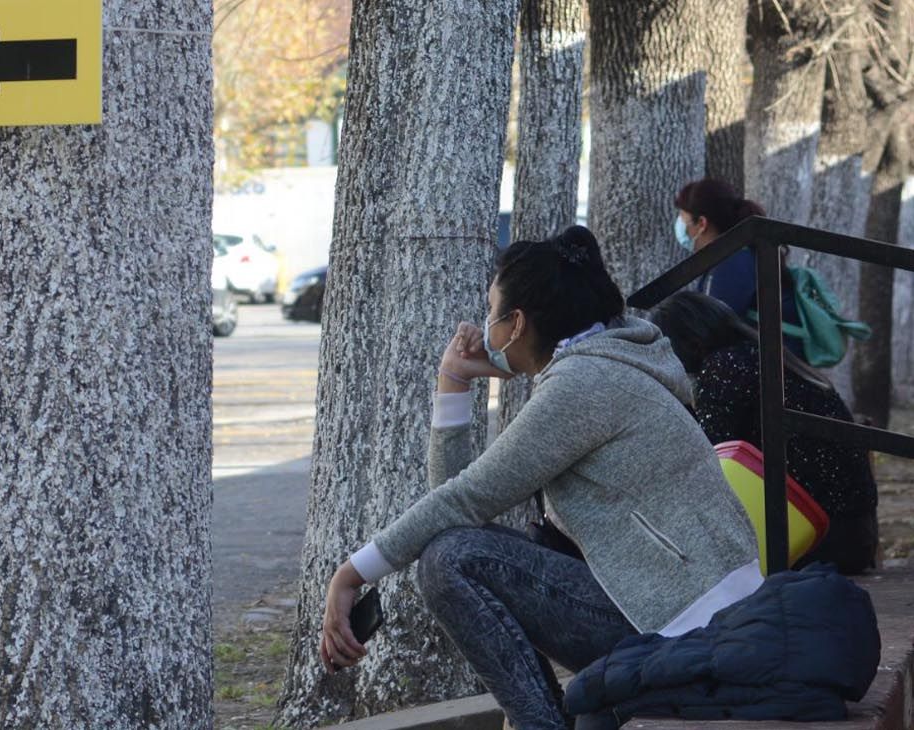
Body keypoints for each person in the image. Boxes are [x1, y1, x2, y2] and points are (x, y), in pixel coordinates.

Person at [319, 226, 760, 730]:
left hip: (685, 621)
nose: (486, 329)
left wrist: (350, 575)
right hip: (695, 605)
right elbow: (456, 501)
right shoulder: (610, 363)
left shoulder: (583, 385)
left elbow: (463, 502)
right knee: (455, 548)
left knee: (451, 560)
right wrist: (455, 383)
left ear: (516, 324)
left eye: (491, 315)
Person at [650, 291, 878, 574]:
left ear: (691, 344)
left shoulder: (725, 367)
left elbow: (709, 460)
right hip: (854, 533)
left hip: (815, 538)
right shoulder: (764, 353)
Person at [673, 179, 804, 350]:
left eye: (683, 219)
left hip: (773, 367)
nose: (680, 225)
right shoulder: (735, 255)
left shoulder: (732, 263)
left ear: (702, 224)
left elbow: (711, 332)